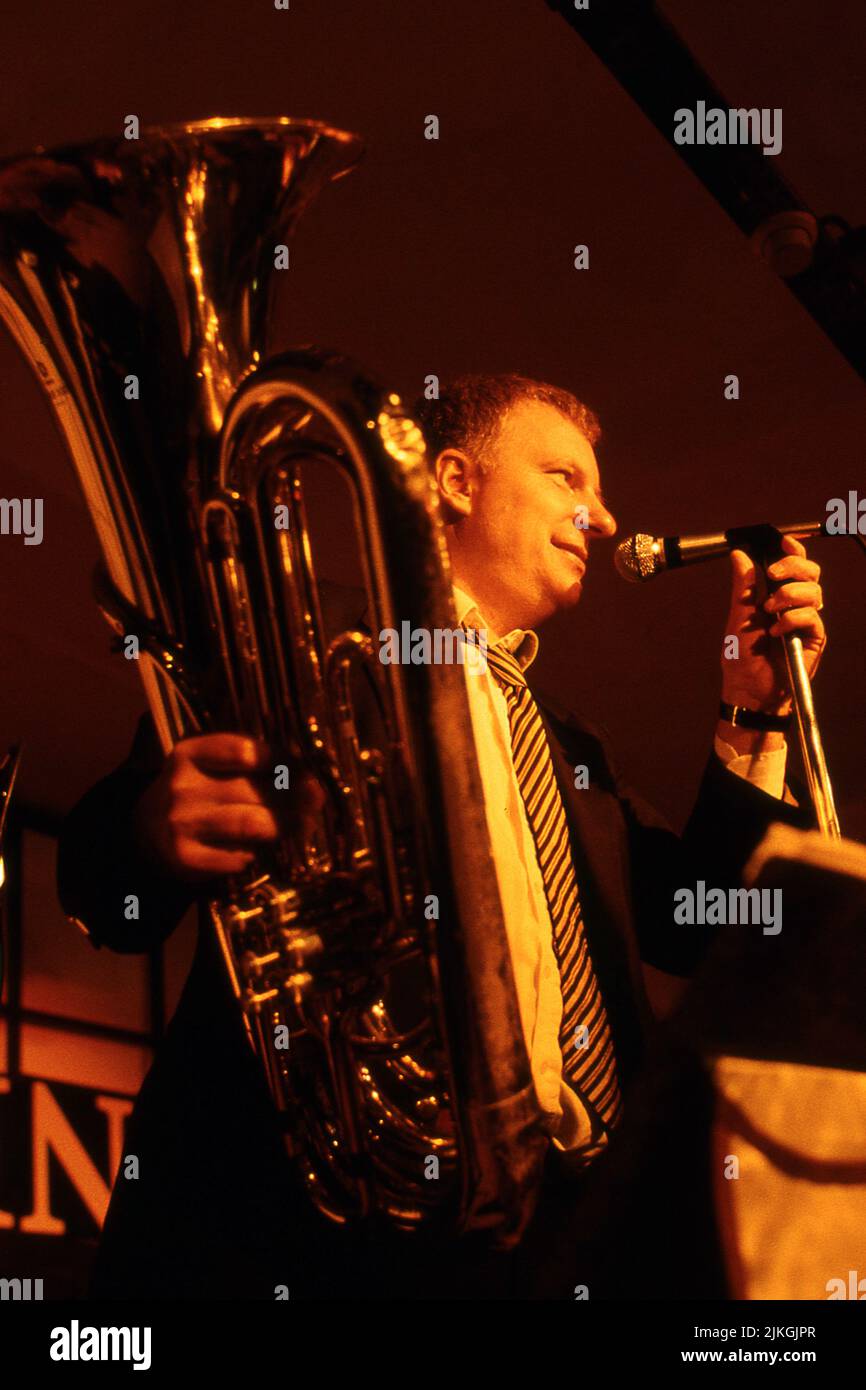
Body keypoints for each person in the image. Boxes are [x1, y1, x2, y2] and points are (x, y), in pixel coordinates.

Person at [57, 373, 825, 1299]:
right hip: (317, 1237)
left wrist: (754, 714)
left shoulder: (572, 743)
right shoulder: (296, 635)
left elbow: (706, 926)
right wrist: (151, 830)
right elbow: (108, 896)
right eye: (567, 479)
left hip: (553, 1253)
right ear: (457, 481)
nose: (606, 518)